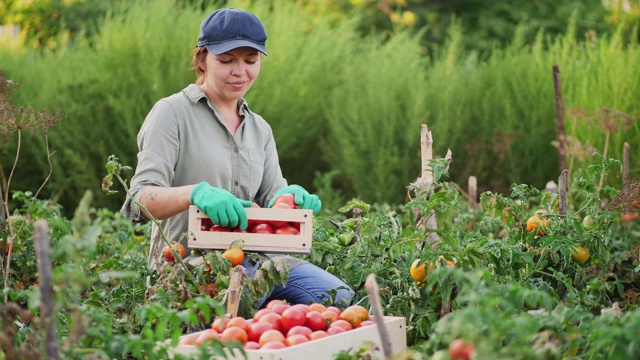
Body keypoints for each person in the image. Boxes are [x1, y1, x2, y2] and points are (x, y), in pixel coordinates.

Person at [121, 8, 353, 307]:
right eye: (227, 60)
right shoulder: (172, 113)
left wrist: (290, 198)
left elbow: (272, 198)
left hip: (261, 261)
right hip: (190, 266)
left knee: (341, 299)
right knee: (241, 314)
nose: (240, 71)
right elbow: (140, 199)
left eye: (251, 61)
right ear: (202, 59)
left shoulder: (259, 128)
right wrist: (195, 193)